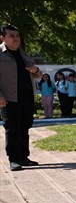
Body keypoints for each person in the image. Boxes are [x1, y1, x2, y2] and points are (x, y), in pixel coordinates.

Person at [0, 24, 42, 171]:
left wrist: (36, 70)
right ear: (2, 38)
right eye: (11, 36)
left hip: (26, 97)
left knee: (25, 127)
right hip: (9, 98)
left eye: (17, 35)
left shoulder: (23, 54)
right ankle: (13, 159)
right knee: (12, 128)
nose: (15, 38)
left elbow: (38, 74)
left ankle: (24, 157)